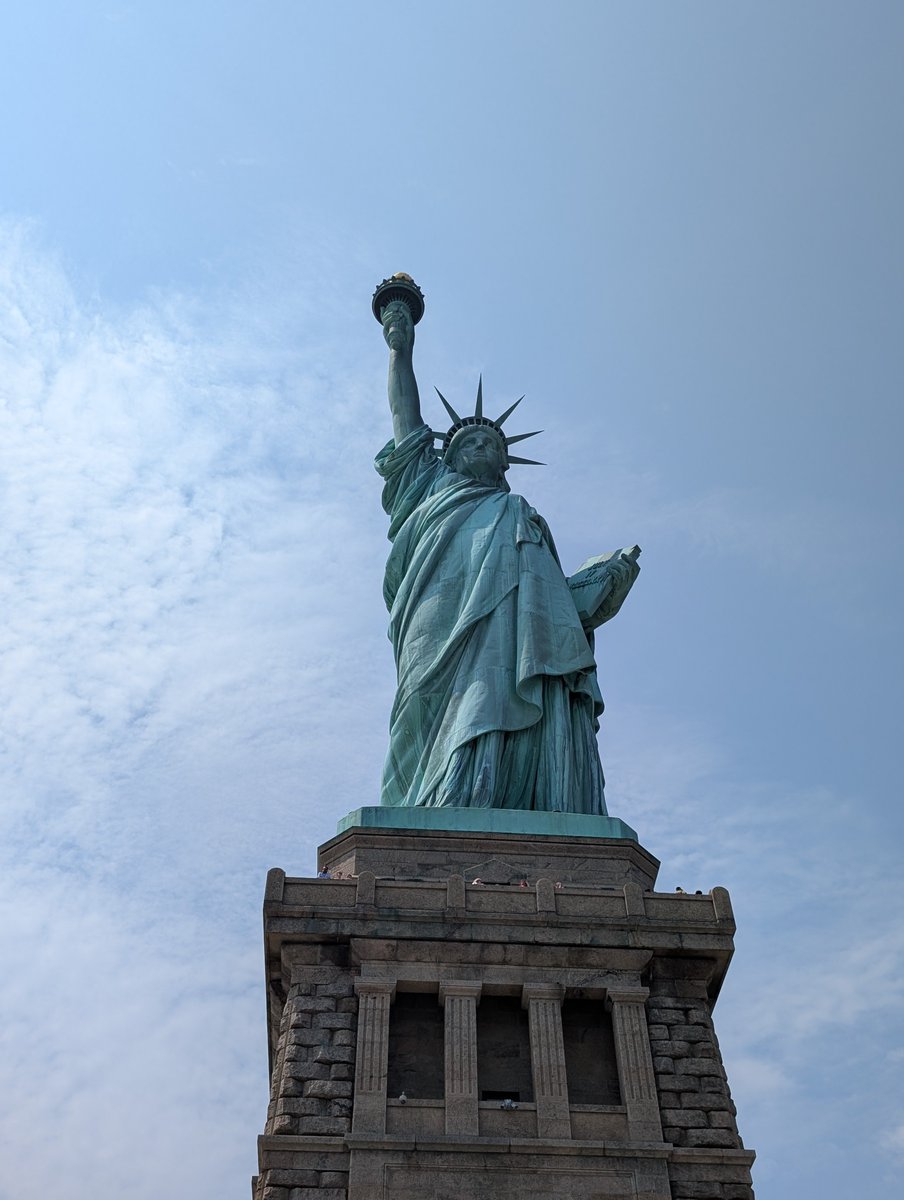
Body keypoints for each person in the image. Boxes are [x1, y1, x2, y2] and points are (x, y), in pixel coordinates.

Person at [375, 297, 637, 814]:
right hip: (437, 623)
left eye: (491, 445)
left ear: (505, 464)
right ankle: (428, 807)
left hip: (515, 639)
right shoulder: (427, 487)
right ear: (446, 457)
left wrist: (603, 582)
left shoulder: (523, 515)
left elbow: (559, 608)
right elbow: (406, 418)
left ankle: (485, 798)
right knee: (423, 714)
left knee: (499, 701)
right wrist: (400, 351)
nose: (482, 448)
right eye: (469, 441)